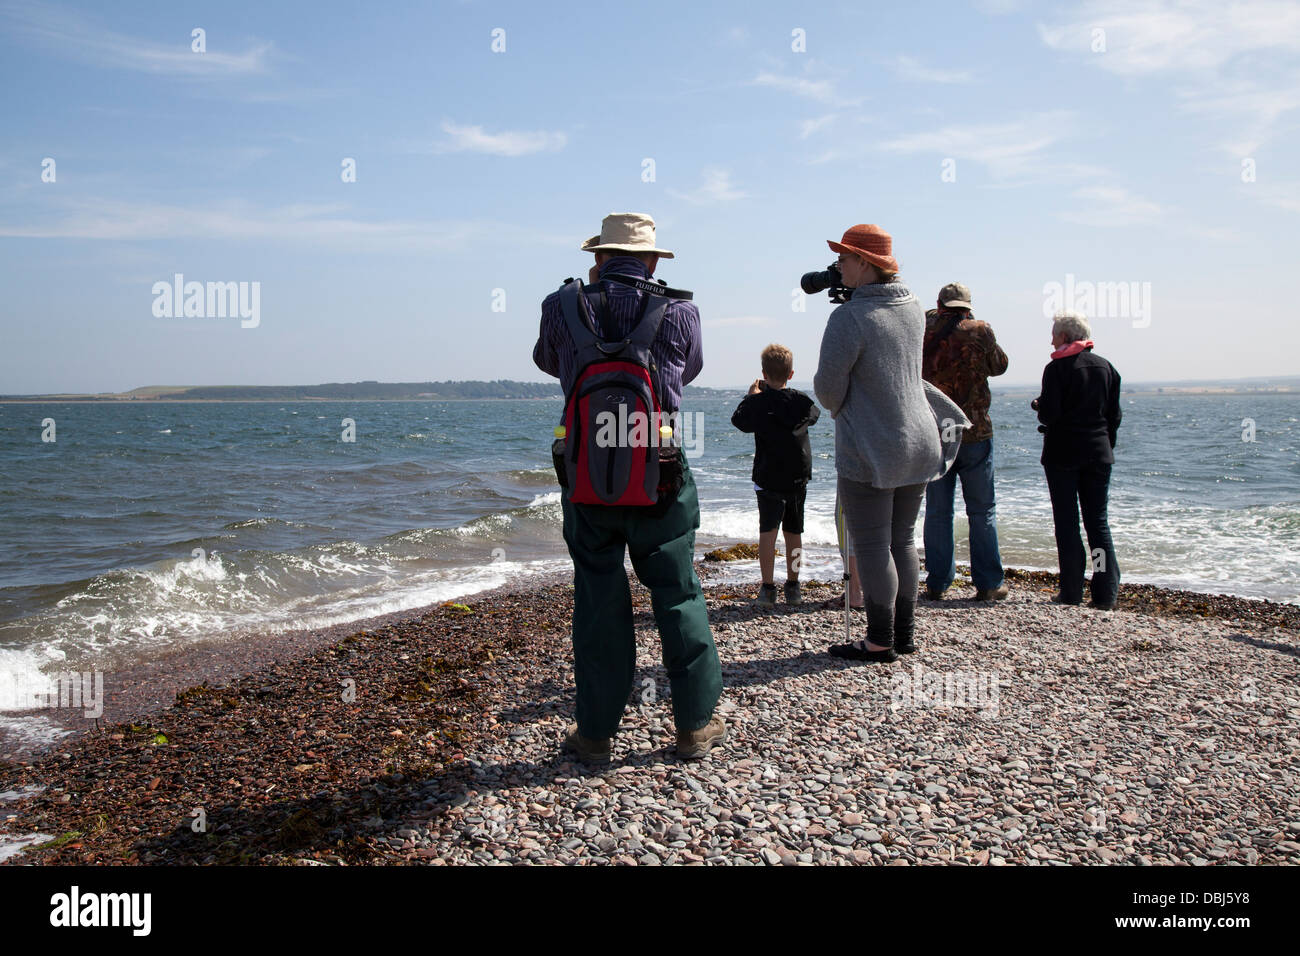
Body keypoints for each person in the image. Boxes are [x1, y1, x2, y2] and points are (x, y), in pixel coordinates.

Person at [533, 212, 726, 763]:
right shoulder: (680, 310)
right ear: (651, 260)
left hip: (585, 465)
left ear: (597, 258)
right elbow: (688, 370)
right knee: (677, 591)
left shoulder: (559, 305)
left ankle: (595, 734)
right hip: (658, 461)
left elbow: (549, 361)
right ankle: (693, 724)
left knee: (597, 597)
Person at [813, 224, 967, 662]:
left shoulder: (849, 317)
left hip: (873, 445)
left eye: (844, 258)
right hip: (920, 437)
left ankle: (879, 639)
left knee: (873, 543)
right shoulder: (914, 306)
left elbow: (827, 390)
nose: (837, 266)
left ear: (864, 263)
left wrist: (851, 403)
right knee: (902, 539)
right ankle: (905, 634)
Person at [921, 282, 1011, 602]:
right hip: (975, 432)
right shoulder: (979, 331)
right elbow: (1000, 366)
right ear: (967, 306)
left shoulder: (924, 329)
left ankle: (938, 582)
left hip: (937, 430)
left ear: (940, 303)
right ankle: (988, 584)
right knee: (981, 510)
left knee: (938, 511)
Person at [1033, 311, 1122, 609]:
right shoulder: (1106, 367)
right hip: (1099, 453)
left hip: (1063, 455)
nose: (1051, 339)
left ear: (1065, 337)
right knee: (1098, 524)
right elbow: (1114, 416)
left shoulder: (1057, 369)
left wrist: (1039, 405)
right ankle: (1104, 592)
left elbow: (1050, 415)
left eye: (1054, 334)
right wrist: (1107, 446)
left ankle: (1071, 591)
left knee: (1068, 523)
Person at [731, 344, 821, 606]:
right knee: (794, 532)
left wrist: (751, 396)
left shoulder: (758, 403)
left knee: (768, 532)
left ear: (763, 373)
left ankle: (768, 587)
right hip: (796, 474)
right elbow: (814, 416)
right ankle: (793, 585)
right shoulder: (800, 401)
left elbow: (739, 421)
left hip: (768, 475)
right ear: (791, 374)